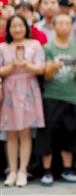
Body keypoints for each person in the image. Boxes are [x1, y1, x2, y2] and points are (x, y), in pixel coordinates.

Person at [37, 14, 76, 186]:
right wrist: (53, 66)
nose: (65, 26)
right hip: (52, 96)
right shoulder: (48, 48)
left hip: (72, 96)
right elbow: (47, 76)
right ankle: (47, 172)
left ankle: (67, 170)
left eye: (67, 23)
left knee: (70, 134)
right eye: (61, 23)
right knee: (48, 134)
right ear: (55, 26)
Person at [0, 15, 46, 187]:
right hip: (10, 89)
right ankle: (12, 170)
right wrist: (12, 66)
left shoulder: (34, 45)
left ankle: (23, 170)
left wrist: (26, 65)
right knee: (11, 132)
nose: (17, 29)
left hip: (28, 88)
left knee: (25, 132)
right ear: (9, 29)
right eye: (14, 26)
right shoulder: (3, 47)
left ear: (25, 28)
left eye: (20, 25)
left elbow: (41, 68)